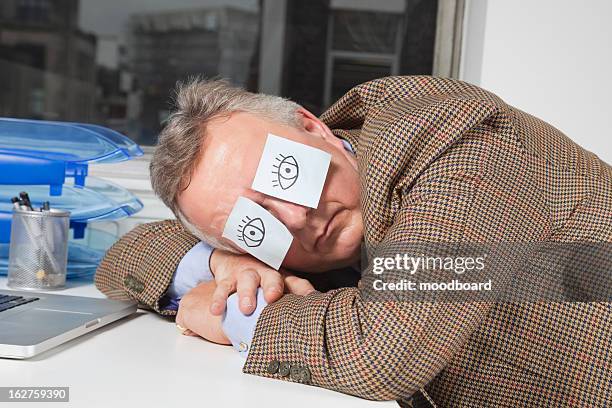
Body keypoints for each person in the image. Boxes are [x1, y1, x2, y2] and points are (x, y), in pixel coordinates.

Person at [95, 76, 610, 407]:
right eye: (257, 223)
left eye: (287, 174)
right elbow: (125, 255)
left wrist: (235, 312)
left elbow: (385, 349)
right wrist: (220, 265)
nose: (296, 217)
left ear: (315, 127)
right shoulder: (276, 238)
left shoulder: (454, 137)